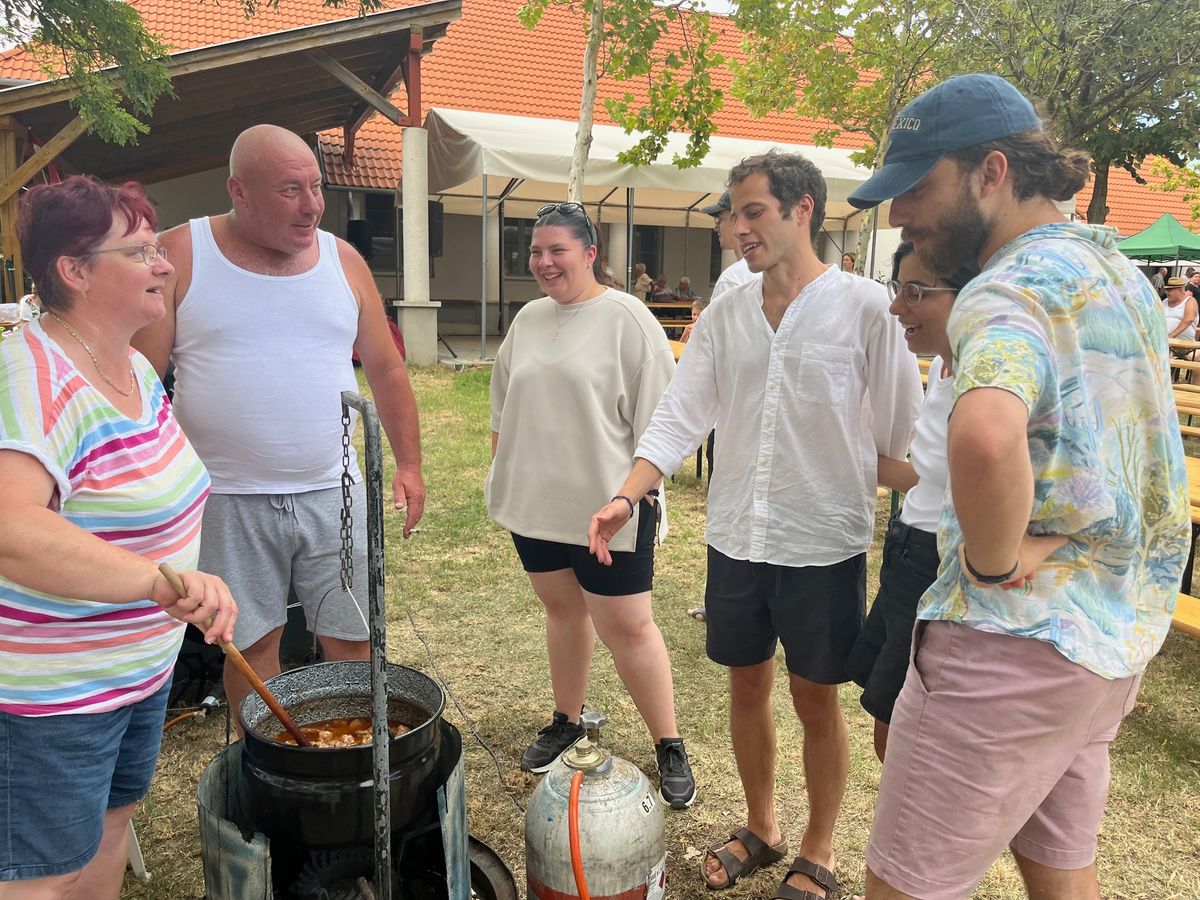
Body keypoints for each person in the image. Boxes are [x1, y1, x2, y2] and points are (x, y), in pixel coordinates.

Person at [847, 73, 1190, 900]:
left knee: (906, 888)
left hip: (1010, 643)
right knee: (1061, 871)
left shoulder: (1003, 288)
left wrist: (997, 563)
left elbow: (986, 432)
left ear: (991, 172)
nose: (900, 217)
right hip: (1109, 640)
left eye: (917, 188)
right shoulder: (1112, 269)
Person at [590, 151, 921, 897]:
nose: (736, 229)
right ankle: (764, 824)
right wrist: (630, 491)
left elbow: (898, 431)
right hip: (737, 533)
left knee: (815, 696)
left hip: (821, 539)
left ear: (805, 210)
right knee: (745, 683)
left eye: (753, 212)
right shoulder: (728, 313)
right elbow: (683, 410)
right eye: (731, 214)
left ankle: (819, 845)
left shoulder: (867, 308)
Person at [132, 124, 425, 723]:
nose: (313, 205)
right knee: (249, 647)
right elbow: (136, 380)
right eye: (292, 190)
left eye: (316, 187)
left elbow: (388, 371)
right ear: (239, 191)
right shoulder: (181, 254)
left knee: (352, 641)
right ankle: (261, 774)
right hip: (226, 497)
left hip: (334, 493)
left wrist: (410, 463)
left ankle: (345, 763)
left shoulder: (342, 260)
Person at [0, 176, 237, 897]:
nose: (164, 262)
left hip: (137, 672)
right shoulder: (28, 375)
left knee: (106, 836)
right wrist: (157, 583)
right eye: (140, 250)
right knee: (41, 877)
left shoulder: (132, 364)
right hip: (50, 698)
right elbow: (11, 530)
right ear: (74, 270)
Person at [486, 201, 697, 808]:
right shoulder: (528, 318)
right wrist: (502, 466)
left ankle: (669, 744)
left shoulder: (629, 320)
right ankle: (566, 719)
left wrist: (634, 499)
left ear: (590, 253)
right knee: (562, 611)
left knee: (628, 628)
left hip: (610, 510)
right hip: (536, 504)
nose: (545, 262)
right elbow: (503, 404)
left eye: (558, 250)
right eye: (536, 251)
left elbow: (664, 425)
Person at [847, 242, 976, 764]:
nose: (897, 307)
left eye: (915, 292)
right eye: (897, 290)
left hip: (943, 562)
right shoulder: (945, 367)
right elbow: (924, 476)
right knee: (888, 715)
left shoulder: (984, 376)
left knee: (904, 729)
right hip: (908, 547)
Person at [704, 190, 761, 298]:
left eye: (719, 220)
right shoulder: (770, 270)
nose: (716, 228)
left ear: (735, 219)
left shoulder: (730, 279)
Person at [1164, 275, 1198, 345]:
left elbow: (1189, 319)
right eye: (1166, 290)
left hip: (1184, 345)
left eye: (1169, 290)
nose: (1166, 292)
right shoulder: (1164, 301)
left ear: (1180, 290)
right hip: (1164, 344)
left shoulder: (1190, 301)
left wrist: (1171, 337)